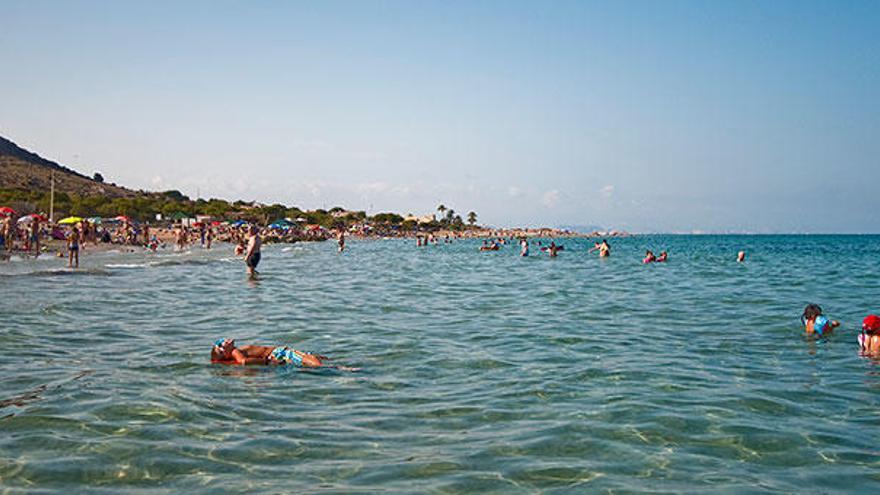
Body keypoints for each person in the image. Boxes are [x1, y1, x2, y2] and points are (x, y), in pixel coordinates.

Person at [211, 338, 358, 371]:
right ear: (225, 352)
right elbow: (244, 362)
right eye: (222, 343)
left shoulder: (233, 353)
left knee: (310, 359)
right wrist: (269, 362)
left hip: (277, 355)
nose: (226, 340)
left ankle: (335, 366)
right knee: (311, 361)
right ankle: (339, 368)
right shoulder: (236, 352)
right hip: (279, 353)